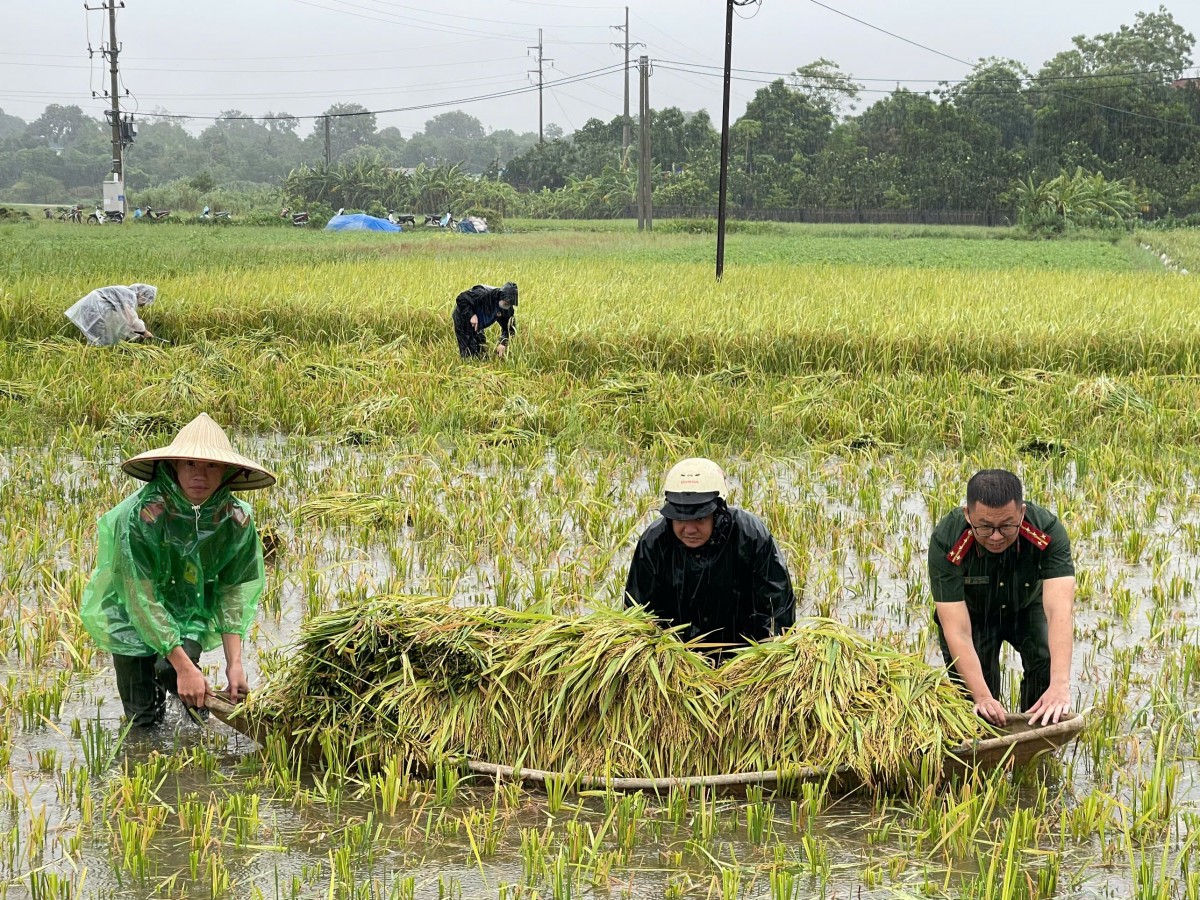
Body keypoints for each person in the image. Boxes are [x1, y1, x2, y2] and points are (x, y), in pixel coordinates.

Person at [80, 413, 276, 727]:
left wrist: (234, 664)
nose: (201, 475)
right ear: (173, 466)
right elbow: (139, 597)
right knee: (142, 719)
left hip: (189, 608)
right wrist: (186, 668)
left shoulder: (234, 518)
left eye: (211, 465)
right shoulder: (143, 516)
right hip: (131, 610)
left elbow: (233, 593)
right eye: (190, 464)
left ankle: (198, 725)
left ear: (226, 470)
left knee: (173, 671)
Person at [928, 469, 1075, 727]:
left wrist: (1060, 685)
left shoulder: (1047, 531)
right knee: (975, 702)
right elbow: (957, 630)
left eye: (1007, 525)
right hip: (974, 616)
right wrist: (983, 697)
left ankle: (1037, 738)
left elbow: (1059, 612)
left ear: (1022, 512)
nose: (996, 536)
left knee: (1046, 664)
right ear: (967, 515)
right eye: (984, 527)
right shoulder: (947, 540)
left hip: (1027, 608)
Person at [624, 457, 796, 649]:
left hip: (743, 652)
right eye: (680, 518)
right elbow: (636, 612)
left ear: (719, 510)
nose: (689, 529)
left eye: (700, 518)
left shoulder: (751, 536)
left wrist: (776, 655)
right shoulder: (654, 542)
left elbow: (779, 606)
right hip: (676, 652)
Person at [65, 283, 158, 346]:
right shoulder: (130, 296)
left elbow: (122, 321)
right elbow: (131, 319)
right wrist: (144, 331)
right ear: (142, 295)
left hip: (92, 306)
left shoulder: (126, 293)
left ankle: (93, 352)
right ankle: (96, 353)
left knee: (99, 336)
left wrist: (135, 334)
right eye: (146, 301)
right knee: (100, 335)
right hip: (95, 307)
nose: (143, 305)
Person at [453, 281, 517, 359]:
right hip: (463, 316)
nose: (506, 306)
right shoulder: (483, 293)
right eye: (506, 303)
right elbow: (461, 299)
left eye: (509, 304)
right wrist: (471, 315)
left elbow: (509, 328)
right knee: (468, 352)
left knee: (481, 350)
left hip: (480, 322)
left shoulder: (507, 309)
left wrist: (503, 343)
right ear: (501, 296)